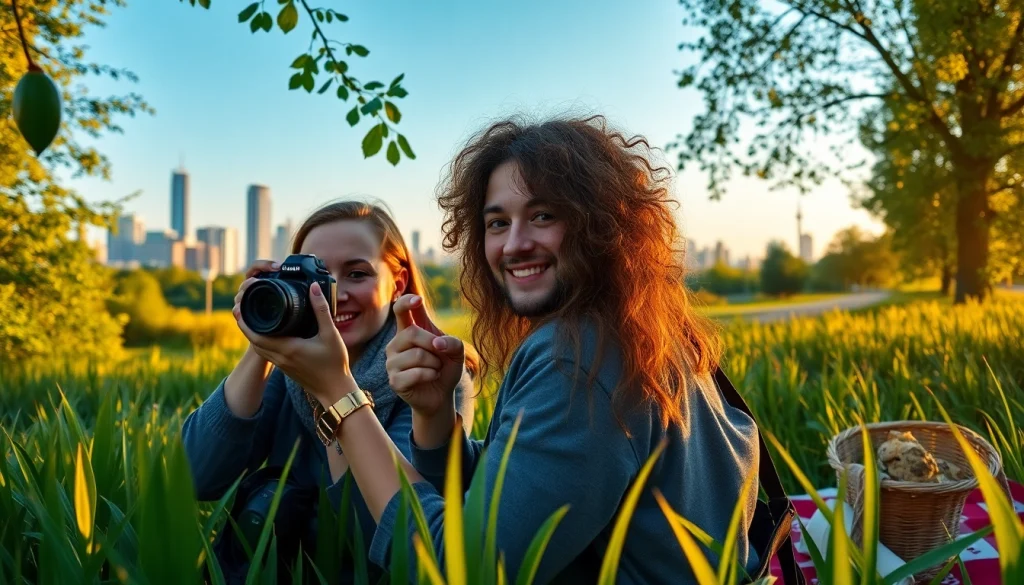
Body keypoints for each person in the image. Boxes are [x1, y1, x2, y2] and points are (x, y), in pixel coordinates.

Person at [233, 116, 761, 584]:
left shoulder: (575, 358)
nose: (513, 245)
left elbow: (458, 567)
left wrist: (339, 395)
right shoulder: (654, 336)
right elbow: (526, 489)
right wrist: (435, 418)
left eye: (544, 216)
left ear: (603, 226)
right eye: (497, 223)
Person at [181, 200, 475, 583]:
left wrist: (331, 388)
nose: (330, 295)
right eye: (315, 278)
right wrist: (262, 338)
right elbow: (196, 476)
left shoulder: (430, 376)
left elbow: (383, 536)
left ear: (397, 283)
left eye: (356, 274)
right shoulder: (287, 373)